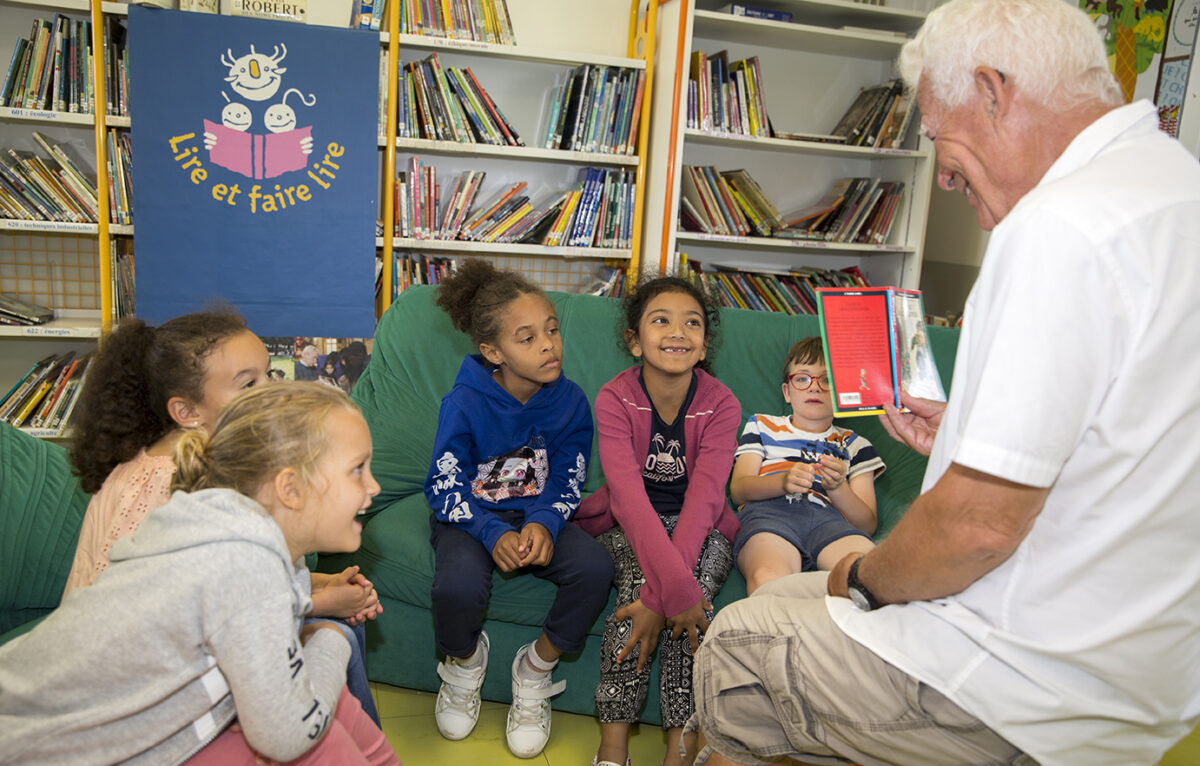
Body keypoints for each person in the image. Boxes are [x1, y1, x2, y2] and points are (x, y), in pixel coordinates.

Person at [691, 2, 1200, 765]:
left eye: (939, 139)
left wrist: (863, 579)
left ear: (994, 92)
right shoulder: (1172, 182)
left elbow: (977, 529)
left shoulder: (1057, 225)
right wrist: (969, 425)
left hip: (1015, 685)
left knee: (736, 644)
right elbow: (1120, 436)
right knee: (793, 605)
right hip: (1143, 685)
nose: (948, 176)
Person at [0, 384, 400, 766]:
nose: (374, 486)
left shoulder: (235, 535)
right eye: (357, 470)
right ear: (290, 489)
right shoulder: (245, 564)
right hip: (34, 749)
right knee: (321, 718)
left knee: (330, 703)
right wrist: (331, 642)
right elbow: (288, 735)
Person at [62, 312, 382, 725]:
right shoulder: (174, 484)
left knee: (343, 630)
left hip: (182, 648)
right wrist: (321, 602)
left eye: (268, 374)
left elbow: (243, 575)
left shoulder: (205, 459)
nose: (269, 390)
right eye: (248, 384)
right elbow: (192, 616)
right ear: (186, 410)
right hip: (138, 683)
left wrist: (324, 585)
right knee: (336, 634)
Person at [424, 259, 613, 759]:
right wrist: (488, 532)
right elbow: (443, 485)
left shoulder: (571, 401)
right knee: (455, 585)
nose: (549, 344)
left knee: (596, 568)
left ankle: (535, 670)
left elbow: (572, 472)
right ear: (493, 352)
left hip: (536, 512)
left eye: (551, 330)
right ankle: (464, 663)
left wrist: (547, 521)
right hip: (470, 516)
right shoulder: (464, 401)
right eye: (527, 339)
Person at [573, 277, 740, 766]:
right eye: (660, 320)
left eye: (693, 322)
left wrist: (675, 593)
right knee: (635, 600)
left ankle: (680, 751)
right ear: (634, 340)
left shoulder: (721, 403)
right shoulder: (614, 398)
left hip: (702, 525)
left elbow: (707, 499)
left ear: (705, 344)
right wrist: (661, 590)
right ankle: (613, 749)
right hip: (631, 522)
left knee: (693, 611)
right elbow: (627, 499)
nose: (678, 332)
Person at [729, 337, 883, 595]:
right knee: (769, 578)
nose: (815, 388)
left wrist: (838, 488)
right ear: (787, 392)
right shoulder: (762, 425)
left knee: (870, 576)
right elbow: (739, 490)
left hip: (829, 520)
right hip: (768, 515)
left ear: (843, 393)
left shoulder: (856, 445)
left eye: (827, 380)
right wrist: (782, 482)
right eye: (802, 378)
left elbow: (866, 524)